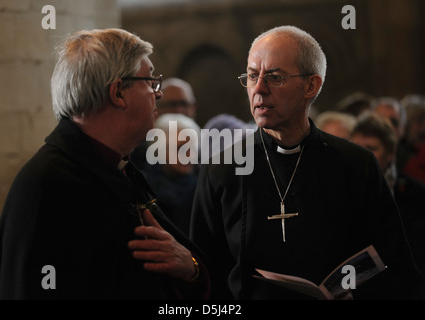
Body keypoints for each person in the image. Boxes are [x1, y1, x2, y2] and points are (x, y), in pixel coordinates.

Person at [190, 25, 425, 299]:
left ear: (311, 86)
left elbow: (397, 271)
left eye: (275, 77)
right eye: (253, 76)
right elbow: (204, 276)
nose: (260, 89)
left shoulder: (357, 165)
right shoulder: (221, 170)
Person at [0, 28, 209, 299]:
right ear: (118, 93)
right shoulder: (50, 184)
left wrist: (192, 268)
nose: (158, 94)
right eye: (150, 81)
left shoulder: (118, 169)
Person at [351, 113, 425, 276]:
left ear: (391, 153)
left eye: (371, 148)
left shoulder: (416, 195)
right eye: (355, 147)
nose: (361, 154)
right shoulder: (340, 187)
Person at [144, 113, 201, 236]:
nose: (189, 156)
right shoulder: (144, 192)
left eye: (193, 148)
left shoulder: (204, 188)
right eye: (181, 149)